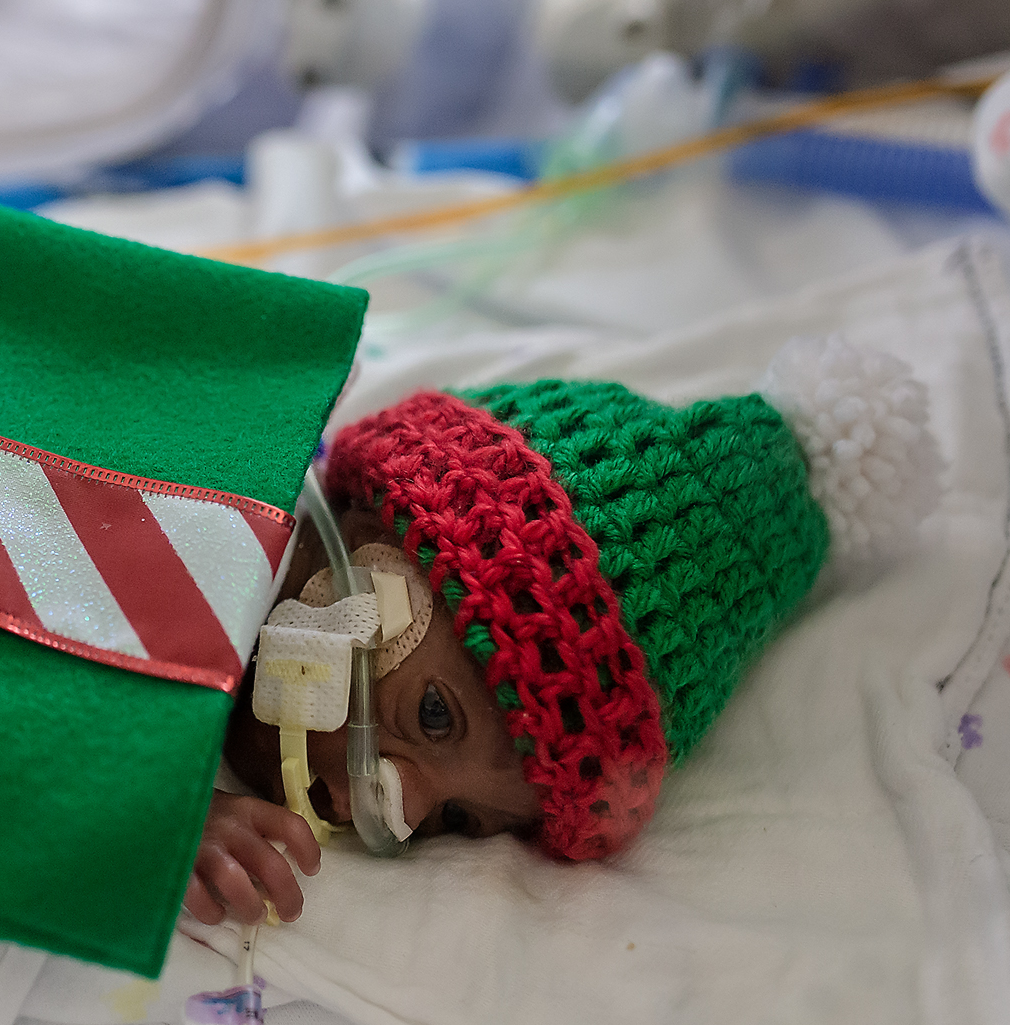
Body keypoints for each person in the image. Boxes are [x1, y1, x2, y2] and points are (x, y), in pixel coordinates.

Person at [186, 355, 937, 927]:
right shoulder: (203, 484)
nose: (396, 807)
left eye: (458, 820)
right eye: (436, 715)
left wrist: (185, 817)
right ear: (368, 529)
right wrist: (127, 789)